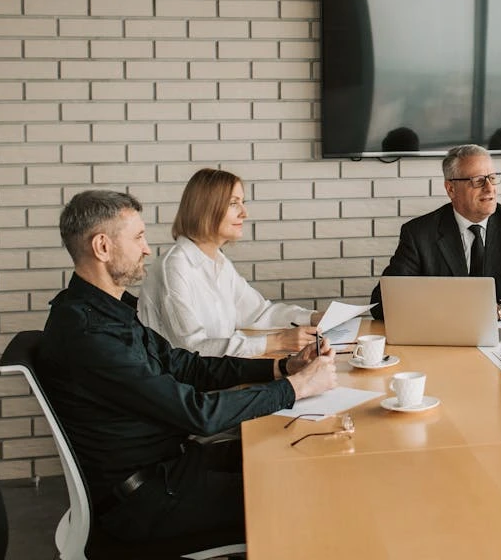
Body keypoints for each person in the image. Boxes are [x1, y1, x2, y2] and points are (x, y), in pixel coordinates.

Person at [36, 190, 338, 551]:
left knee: (299, 459)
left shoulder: (104, 313)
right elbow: (198, 414)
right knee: (306, 498)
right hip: (146, 501)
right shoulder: (89, 335)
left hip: (172, 468)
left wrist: (281, 368)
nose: (147, 248)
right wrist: (296, 387)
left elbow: (185, 365)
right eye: (138, 237)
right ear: (102, 247)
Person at [369, 144, 501, 321]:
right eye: (478, 181)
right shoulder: (419, 233)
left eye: (492, 178)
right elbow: (382, 303)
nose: (490, 188)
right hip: (442, 336)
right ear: (451, 188)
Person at [139, 168, 319, 357]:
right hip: (184, 384)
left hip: (217, 374)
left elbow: (258, 313)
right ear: (205, 208)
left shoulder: (219, 262)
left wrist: (312, 317)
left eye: (242, 202)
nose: (244, 213)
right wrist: (279, 341)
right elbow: (192, 349)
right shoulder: (175, 267)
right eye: (234, 203)